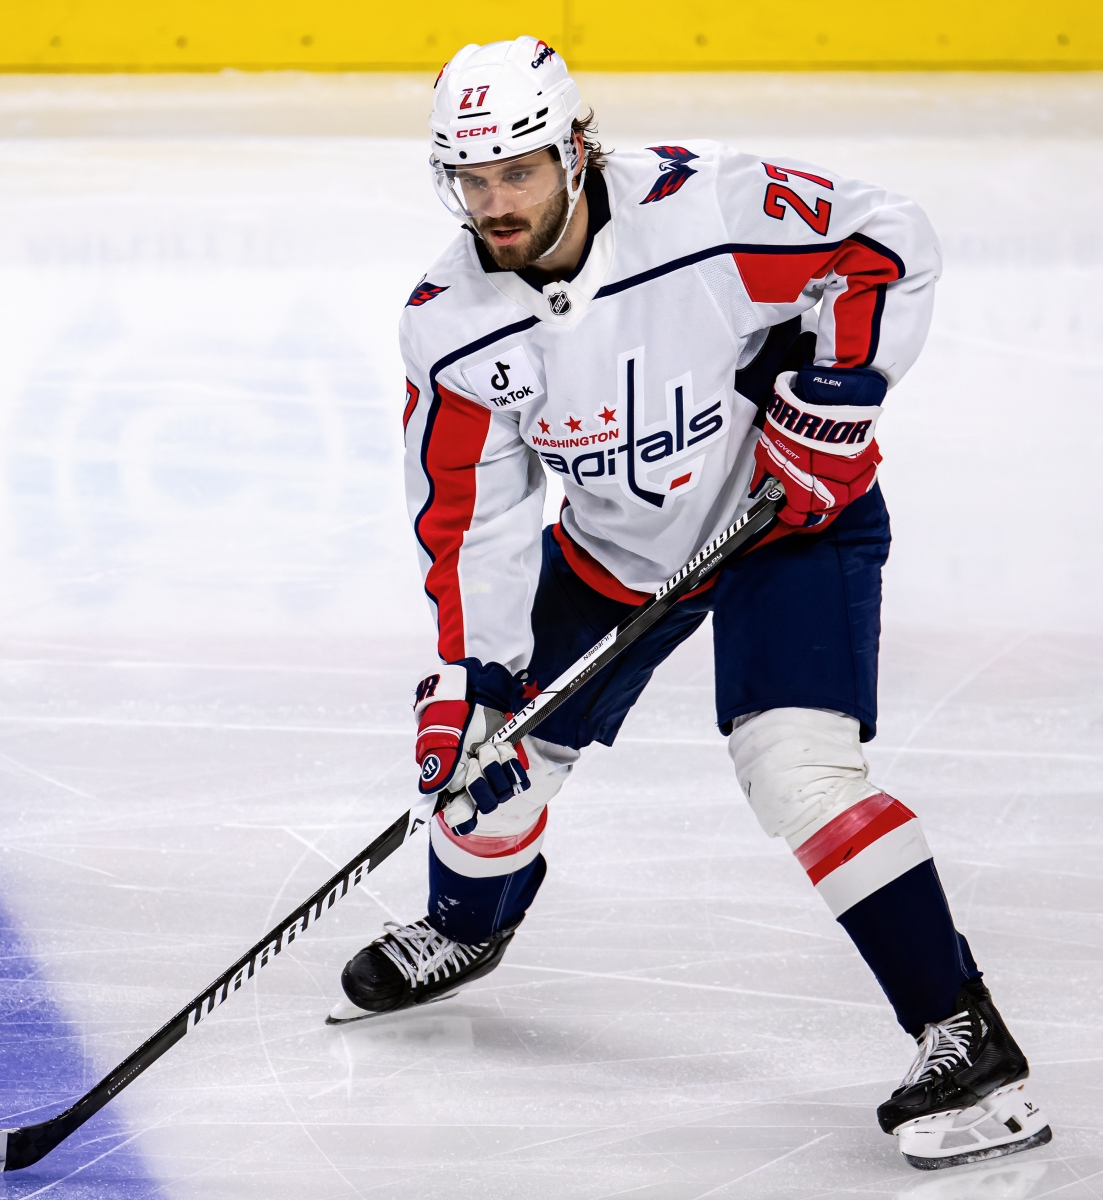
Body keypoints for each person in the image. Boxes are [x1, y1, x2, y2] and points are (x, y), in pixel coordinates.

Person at [327, 36, 1049, 1171]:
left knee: (796, 771)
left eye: (516, 171)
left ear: (575, 148)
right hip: (615, 549)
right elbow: (471, 517)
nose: (493, 203)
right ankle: (465, 930)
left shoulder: (704, 209)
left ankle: (963, 1039)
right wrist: (472, 678)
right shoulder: (451, 319)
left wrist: (836, 397)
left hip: (783, 519)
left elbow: (882, 243)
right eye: (469, 179)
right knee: (487, 769)